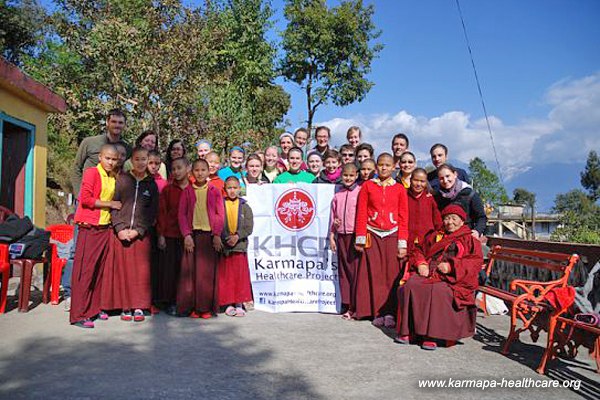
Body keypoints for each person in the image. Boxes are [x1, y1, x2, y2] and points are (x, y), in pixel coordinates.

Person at [395, 205, 483, 350]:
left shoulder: (470, 239)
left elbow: (475, 262)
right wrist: (421, 263)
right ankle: (410, 332)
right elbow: (418, 250)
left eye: (454, 219)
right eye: (447, 218)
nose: (450, 222)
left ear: (462, 221)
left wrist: (451, 267)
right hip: (429, 272)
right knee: (411, 285)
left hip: (453, 278)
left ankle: (431, 336)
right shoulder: (435, 235)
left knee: (436, 290)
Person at [101, 147, 159, 322]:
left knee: (140, 273)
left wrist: (138, 230)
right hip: (121, 232)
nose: (141, 163)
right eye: (137, 159)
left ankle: (139, 306)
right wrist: (119, 228)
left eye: (144, 160)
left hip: (140, 234)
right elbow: (115, 205)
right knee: (123, 272)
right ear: (131, 161)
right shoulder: (123, 180)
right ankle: (125, 306)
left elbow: (152, 212)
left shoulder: (151, 184)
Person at [69, 144, 121, 328]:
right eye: (107, 158)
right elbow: (85, 199)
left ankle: (93, 310)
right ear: (100, 157)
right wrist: (111, 204)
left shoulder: (113, 176)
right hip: (89, 227)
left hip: (105, 228)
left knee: (99, 270)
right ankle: (78, 314)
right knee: (85, 270)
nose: (110, 162)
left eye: (114, 159)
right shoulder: (92, 172)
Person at [354, 153, 408, 327]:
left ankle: (391, 312)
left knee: (392, 276)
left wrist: (402, 243)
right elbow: (361, 212)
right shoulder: (368, 186)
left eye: (388, 165)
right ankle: (377, 311)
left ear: (394, 167)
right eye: (381, 165)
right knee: (375, 275)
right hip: (373, 233)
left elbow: (403, 216)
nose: (384, 168)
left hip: (392, 233)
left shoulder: (399, 188)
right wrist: (360, 238)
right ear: (376, 167)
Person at [178, 158, 225, 318]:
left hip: (208, 236)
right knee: (190, 274)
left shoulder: (214, 191)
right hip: (192, 236)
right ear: (192, 173)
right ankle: (191, 307)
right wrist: (186, 235)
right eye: (196, 170)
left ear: (208, 172)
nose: (200, 173)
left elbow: (220, 214)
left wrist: (217, 234)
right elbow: (182, 215)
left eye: (203, 170)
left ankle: (205, 308)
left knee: (205, 274)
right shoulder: (187, 191)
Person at [156, 157, 190, 315]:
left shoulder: (194, 188)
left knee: (187, 271)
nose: (176, 172)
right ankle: (170, 302)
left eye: (179, 168)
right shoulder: (168, 190)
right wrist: (161, 234)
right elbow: (162, 213)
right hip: (171, 234)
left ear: (188, 168)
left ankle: (187, 301)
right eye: (173, 169)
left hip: (190, 236)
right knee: (171, 270)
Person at [71, 109, 131, 197]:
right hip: (88, 195)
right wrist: (79, 194)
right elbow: (76, 168)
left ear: (124, 125)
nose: (117, 125)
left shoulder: (127, 149)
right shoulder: (89, 142)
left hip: (110, 198)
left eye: (120, 123)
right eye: (114, 122)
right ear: (107, 122)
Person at [329, 163, 361, 320]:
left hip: (355, 236)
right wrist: (331, 235)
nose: (348, 178)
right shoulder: (338, 195)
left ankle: (357, 305)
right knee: (344, 272)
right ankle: (347, 304)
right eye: (345, 175)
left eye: (351, 175)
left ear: (356, 175)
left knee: (355, 272)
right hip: (341, 235)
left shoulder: (360, 192)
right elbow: (332, 217)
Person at [218, 177, 254, 317]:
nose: (232, 191)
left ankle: (239, 303)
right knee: (227, 276)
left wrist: (237, 236)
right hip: (225, 246)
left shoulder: (245, 206)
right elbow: (218, 222)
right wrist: (226, 237)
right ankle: (228, 303)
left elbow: (249, 227)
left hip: (239, 245)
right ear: (225, 189)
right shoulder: (220, 204)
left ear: (240, 189)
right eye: (229, 188)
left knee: (240, 276)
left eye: (235, 188)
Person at [433, 164, 487, 238]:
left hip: (466, 236)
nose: (445, 181)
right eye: (441, 178)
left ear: (455, 174)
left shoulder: (469, 193)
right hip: (445, 237)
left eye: (448, 176)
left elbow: (481, 217)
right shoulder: (438, 196)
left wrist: (477, 231)